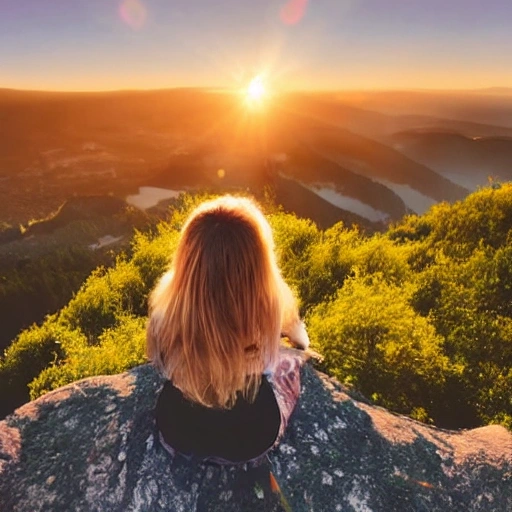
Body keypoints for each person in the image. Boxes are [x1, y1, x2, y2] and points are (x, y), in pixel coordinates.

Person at [146, 195, 310, 465]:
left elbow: (160, 364)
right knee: (291, 361)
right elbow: (269, 365)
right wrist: (297, 341)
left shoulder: (166, 312)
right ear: (259, 263)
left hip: (178, 433)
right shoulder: (270, 309)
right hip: (250, 440)